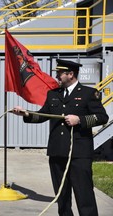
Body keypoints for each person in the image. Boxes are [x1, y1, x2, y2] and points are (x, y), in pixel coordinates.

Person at [12, 59, 108, 216]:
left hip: (79, 155)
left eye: (60, 73)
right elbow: (42, 115)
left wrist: (80, 120)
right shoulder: (53, 94)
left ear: (70, 74)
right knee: (62, 198)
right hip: (57, 152)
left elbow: (102, 117)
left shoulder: (88, 93)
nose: (57, 76)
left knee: (84, 196)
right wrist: (27, 113)